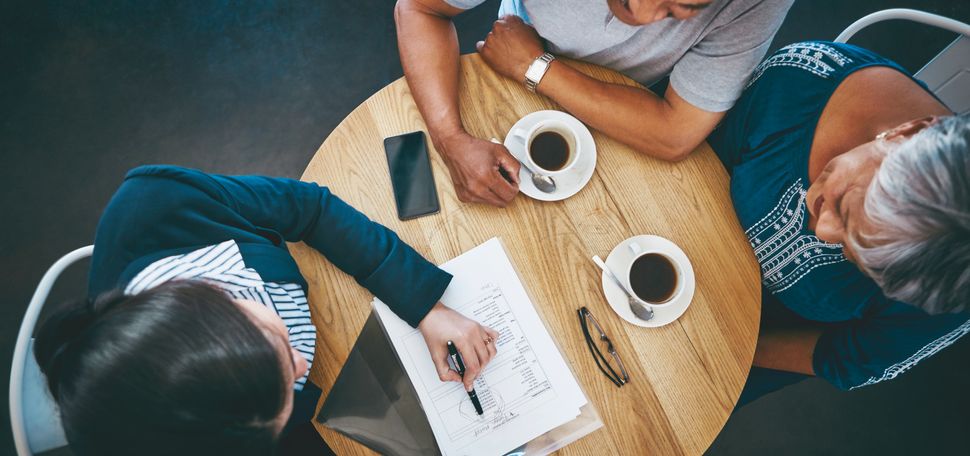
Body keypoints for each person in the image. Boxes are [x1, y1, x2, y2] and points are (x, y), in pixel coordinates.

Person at [34, 165, 500, 455]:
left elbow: (309, 208)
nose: (303, 369)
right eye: (285, 393)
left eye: (278, 345)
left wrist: (424, 305)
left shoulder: (158, 203)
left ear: (211, 298)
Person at [705, 41, 970, 403]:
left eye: (853, 254)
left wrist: (724, 348)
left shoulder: (951, 287)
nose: (820, 230)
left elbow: (851, 358)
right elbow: (690, 161)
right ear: (906, 133)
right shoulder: (798, 81)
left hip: (754, 341)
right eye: (845, 204)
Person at [394, 0, 793, 207]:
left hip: (620, 110)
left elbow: (675, 133)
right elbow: (419, 7)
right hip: (507, 51)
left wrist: (535, 67)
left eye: (679, 8)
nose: (641, 11)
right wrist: (450, 137)